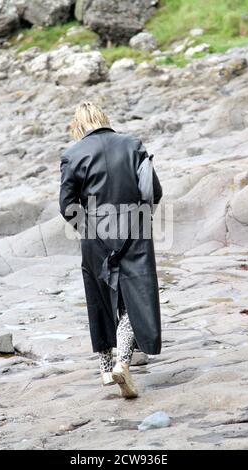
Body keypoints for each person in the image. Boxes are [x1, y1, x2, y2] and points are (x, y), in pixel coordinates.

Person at [59, 101, 163, 399]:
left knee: (100, 297)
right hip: (134, 230)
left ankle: (105, 367)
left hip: (94, 234)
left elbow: (67, 205)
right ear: (104, 119)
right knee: (135, 297)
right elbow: (152, 191)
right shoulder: (133, 144)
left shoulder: (72, 154)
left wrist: (89, 228)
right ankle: (122, 362)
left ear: (78, 125)